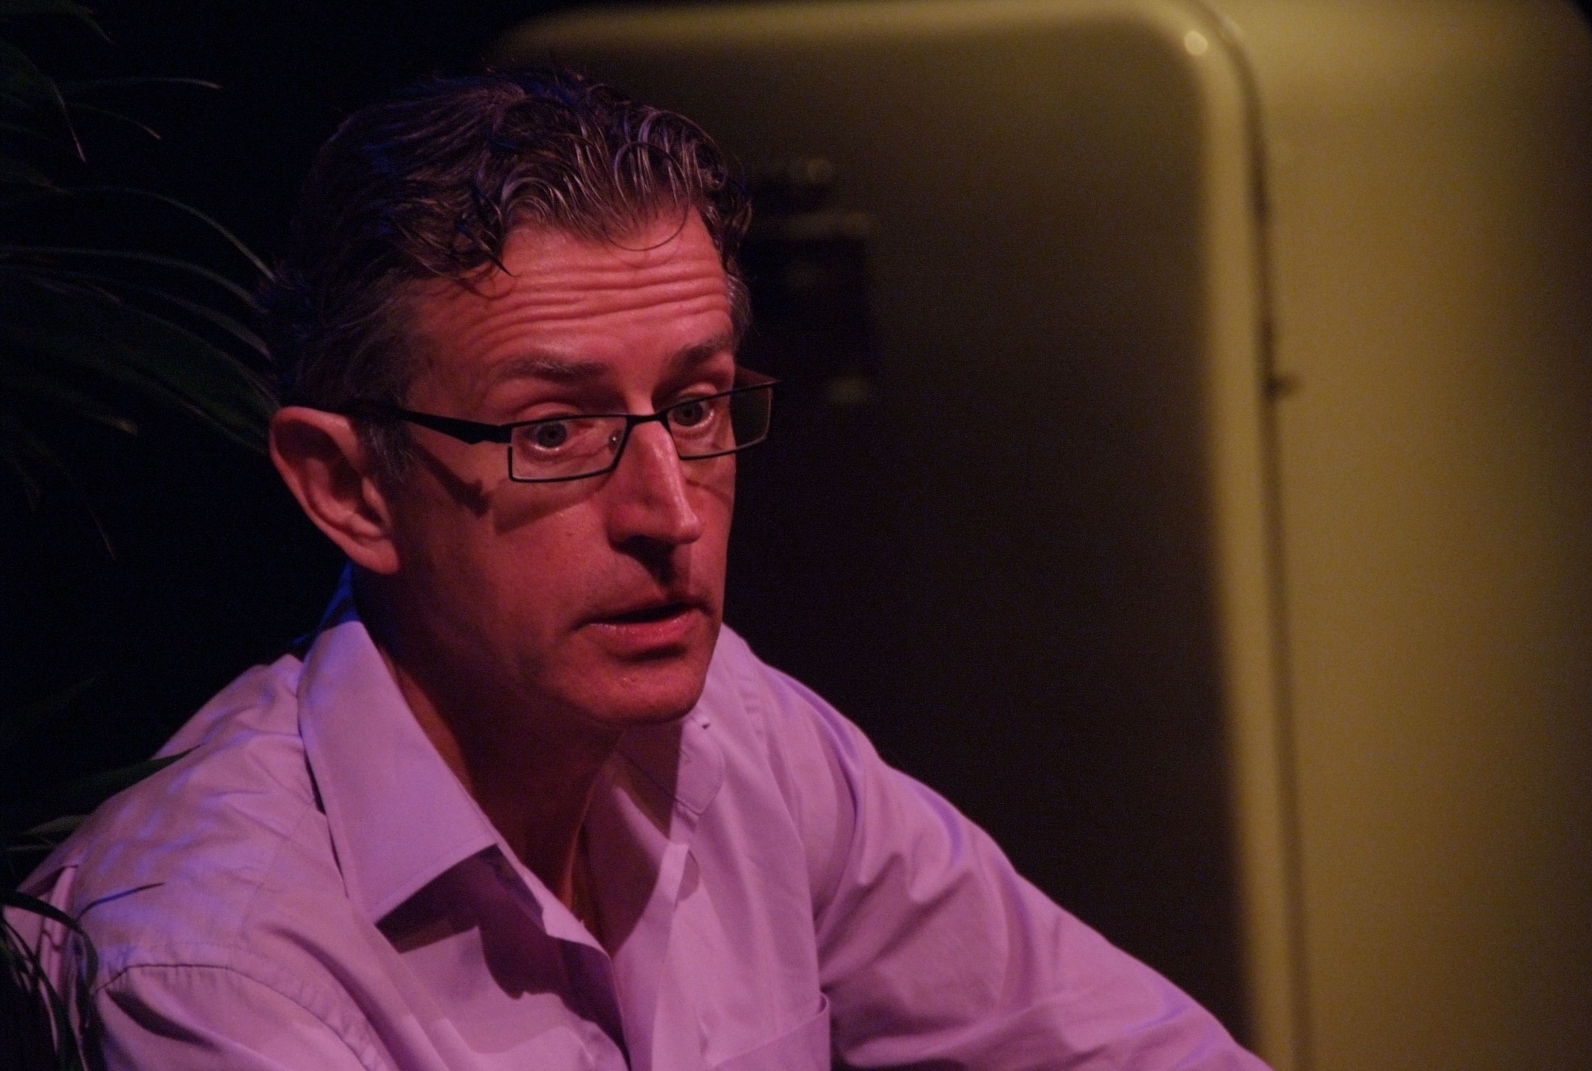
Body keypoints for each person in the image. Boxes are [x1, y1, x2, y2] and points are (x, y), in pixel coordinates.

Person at [10, 70, 1272, 1070]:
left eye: (695, 405)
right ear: (350, 489)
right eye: (554, 431)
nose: (668, 513)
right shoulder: (213, 966)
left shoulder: (741, 726)